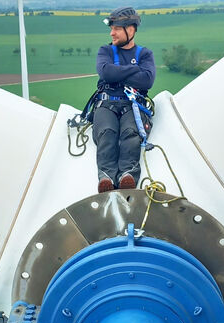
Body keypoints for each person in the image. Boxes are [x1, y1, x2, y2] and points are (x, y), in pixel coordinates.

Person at [92, 7, 156, 193]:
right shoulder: (105, 50)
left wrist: (116, 74)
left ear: (131, 29)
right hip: (106, 103)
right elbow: (105, 72)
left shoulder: (145, 54)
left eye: (117, 28)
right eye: (111, 28)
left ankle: (127, 174)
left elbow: (147, 80)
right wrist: (135, 70)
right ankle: (106, 177)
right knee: (107, 131)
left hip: (133, 105)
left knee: (130, 131)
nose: (112, 33)